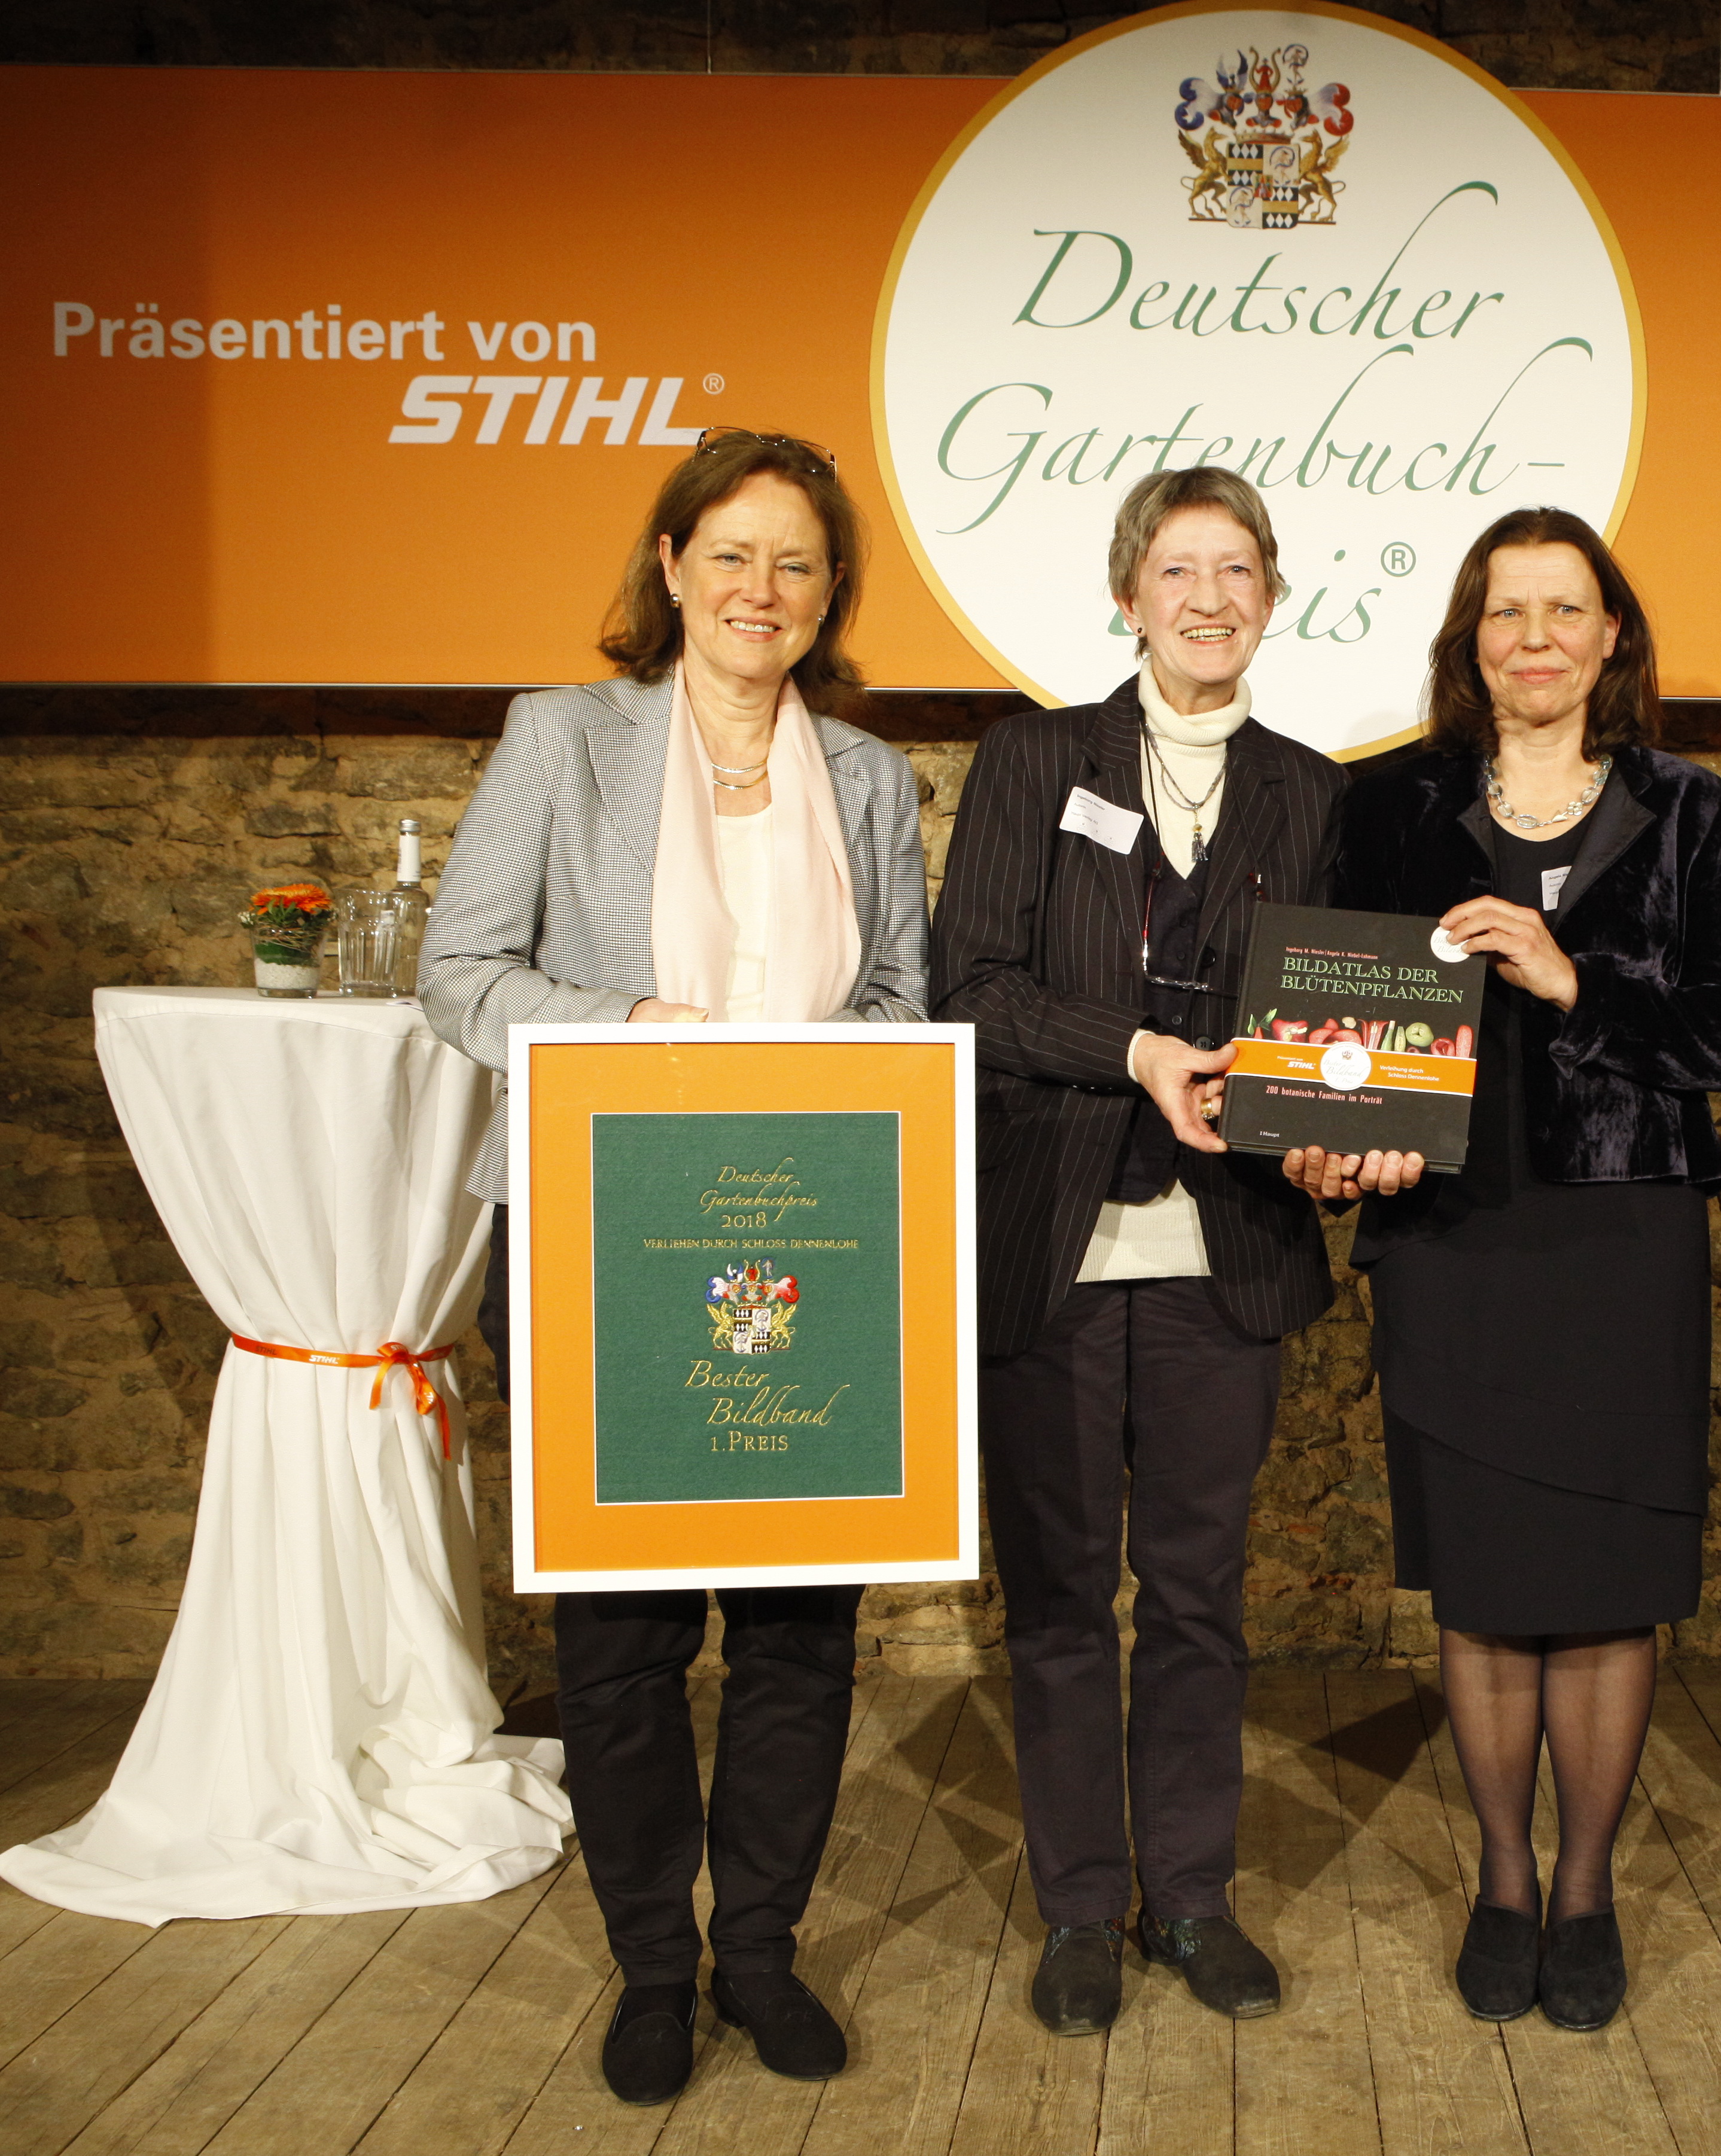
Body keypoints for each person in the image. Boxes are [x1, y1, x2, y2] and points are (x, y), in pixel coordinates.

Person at [420, 428, 929, 2106]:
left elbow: (900, 1005)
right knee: (623, 1637)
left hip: (814, 1240)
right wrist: (621, 1026)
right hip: (602, 1233)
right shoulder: (564, 739)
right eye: (730, 555)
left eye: (795, 563)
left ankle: (760, 1948)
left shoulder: (867, 777)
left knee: (799, 1633)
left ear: (830, 592)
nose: (758, 590)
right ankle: (653, 1962)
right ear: (669, 566)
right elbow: (461, 973)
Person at [1287, 508, 1721, 2032]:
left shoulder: (1688, 810)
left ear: (1609, 634)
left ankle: (1585, 1890)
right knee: (1488, 1586)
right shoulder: (1387, 805)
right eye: (1508, 612)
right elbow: (1331, 1030)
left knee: (1608, 1589)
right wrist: (1326, 1135)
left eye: (1565, 609)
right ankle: (1504, 1880)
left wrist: (1575, 981)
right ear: (1471, 638)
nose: (1537, 638)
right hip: (1453, 1239)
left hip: (1620, 1240)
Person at [930, 466, 1347, 2039]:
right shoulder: (1034, 760)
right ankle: (1077, 1906)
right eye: (1178, 569)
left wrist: (1335, 1119)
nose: (1208, 598)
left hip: (1219, 1253)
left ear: (1272, 598)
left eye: (1237, 570)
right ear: (1127, 595)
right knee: (1055, 1602)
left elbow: (1332, 1027)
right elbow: (972, 993)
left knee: (1193, 1598)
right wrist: (1134, 1052)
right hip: (1048, 1244)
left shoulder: (1312, 792)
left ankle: (1190, 1895)